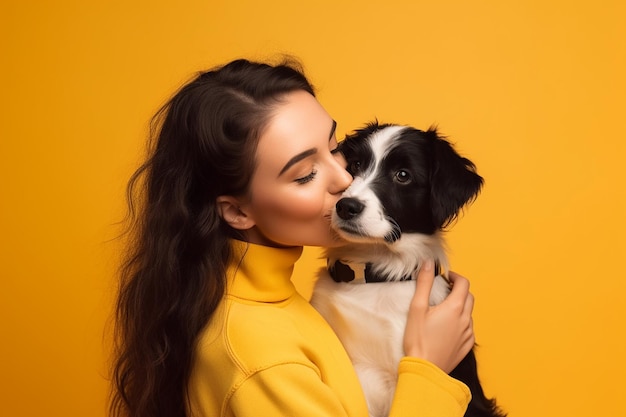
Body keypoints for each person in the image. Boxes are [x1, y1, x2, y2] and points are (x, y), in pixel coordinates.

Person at [110, 58, 475, 417]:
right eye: (305, 174)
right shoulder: (265, 360)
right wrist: (428, 374)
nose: (348, 183)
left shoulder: (276, 303)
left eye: (335, 150)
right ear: (237, 211)